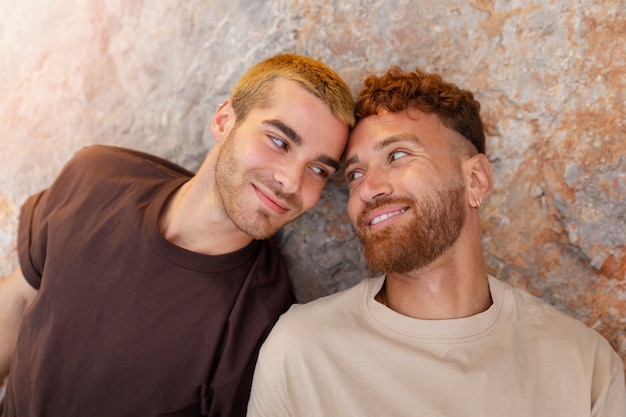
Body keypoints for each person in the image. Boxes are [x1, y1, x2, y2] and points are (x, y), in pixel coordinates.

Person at [246, 67, 626, 417]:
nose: (369, 189)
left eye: (397, 155)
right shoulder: (300, 353)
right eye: (356, 173)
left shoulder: (583, 367)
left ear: (475, 180)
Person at [0, 53, 355, 417]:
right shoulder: (96, 177)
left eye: (317, 169)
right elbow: (16, 301)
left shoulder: (261, 325)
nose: (291, 182)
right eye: (279, 142)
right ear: (224, 121)